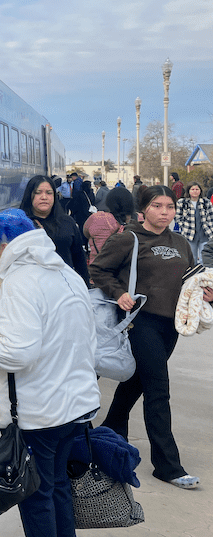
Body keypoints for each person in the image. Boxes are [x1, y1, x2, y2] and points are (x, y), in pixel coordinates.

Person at [0, 209, 100, 537]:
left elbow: (16, 354)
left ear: (5, 247)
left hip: (41, 413)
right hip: (76, 406)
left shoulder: (21, 283)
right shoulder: (67, 274)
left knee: (36, 497)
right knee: (58, 487)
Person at [89, 185, 213, 489]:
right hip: (140, 322)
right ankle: (168, 466)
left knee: (138, 380)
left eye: (170, 207)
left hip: (170, 325)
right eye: (157, 206)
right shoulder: (128, 239)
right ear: (143, 209)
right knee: (158, 389)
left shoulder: (180, 242)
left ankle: (110, 429)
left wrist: (206, 291)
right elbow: (99, 269)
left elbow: (191, 277)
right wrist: (119, 293)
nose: (164, 212)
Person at [19, 175, 90, 283]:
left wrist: (85, 287)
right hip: (31, 287)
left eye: (49, 193)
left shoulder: (67, 222)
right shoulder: (19, 225)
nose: (44, 197)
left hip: (65, 286)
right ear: (29, 195)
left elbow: (79, 259)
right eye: (38, 193)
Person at [83, 186, 135, 270]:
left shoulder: (97, 218)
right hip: (126, 272)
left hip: (98, 268)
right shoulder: (138, 221)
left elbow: (86, 232)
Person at [174, 182, 213, 266]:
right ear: (188, 190)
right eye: (192, 189)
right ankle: (193, 273)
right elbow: (177, 216)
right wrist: (183, 226)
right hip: (189, 235)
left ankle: (205, 273)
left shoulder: (206, 202)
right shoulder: (182, 202)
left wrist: (211, 229)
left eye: (197, 189)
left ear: (200, 191)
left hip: (205, 235)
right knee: (192, 258)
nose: (195, 191)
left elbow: (211, 217)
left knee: (204, 258)